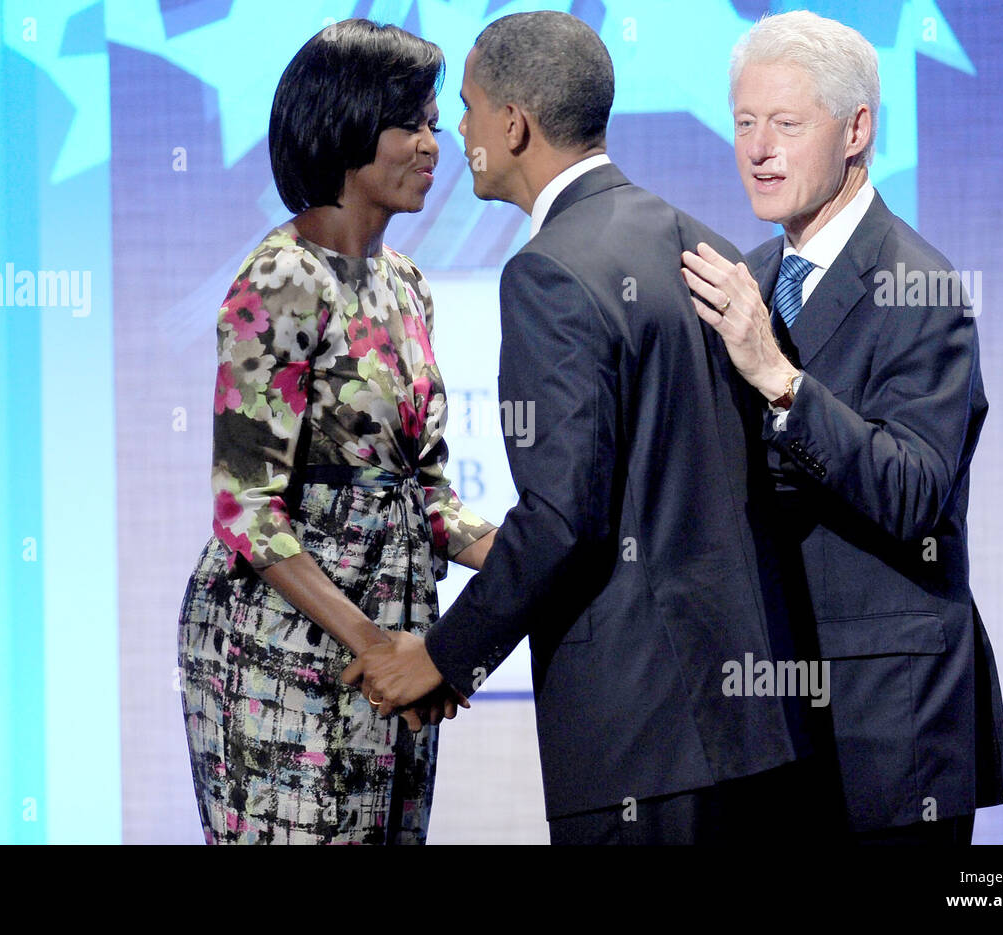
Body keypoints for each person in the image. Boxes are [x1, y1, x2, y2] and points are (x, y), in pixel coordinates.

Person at [344, 10, 809, 845]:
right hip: (749, 730)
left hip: (640, 737)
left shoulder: (548, 272)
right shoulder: (699, 243)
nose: (457, 129)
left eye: (468, 107)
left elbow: (565, 520)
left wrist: (442, 655)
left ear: (514, 125)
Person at [681, 9, 1003, 844]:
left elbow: (910, 492)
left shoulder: (920, 288)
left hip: (887, 737)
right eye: (745, 123)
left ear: (858, 128)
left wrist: (781, 381)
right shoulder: (750, 279)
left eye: (787, 124)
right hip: (768, 722)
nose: (758, 149)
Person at [177, 18, 496, 845]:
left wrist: (529, 552)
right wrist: (375, 643)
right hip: (285, 641)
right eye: (412, 124)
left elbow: (426, 496)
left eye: (434, 123)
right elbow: (245, 508)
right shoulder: (282, 276)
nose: (434, 145)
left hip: (395, 631)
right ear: (348, 126)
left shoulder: (409, 286)